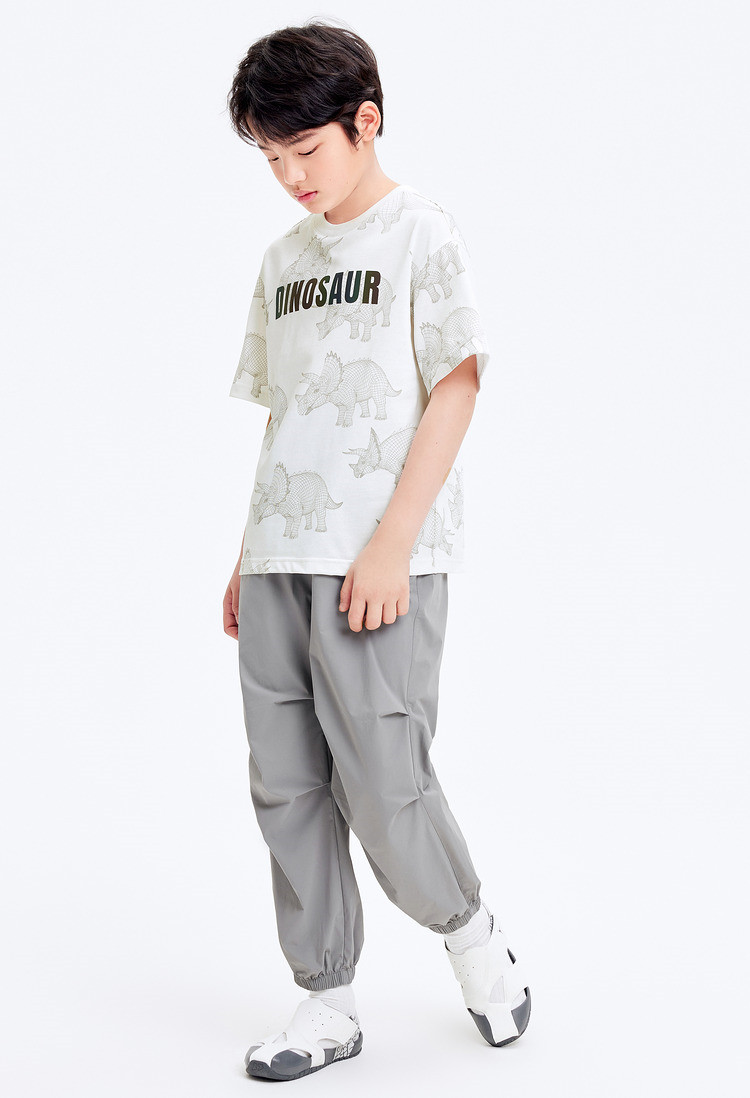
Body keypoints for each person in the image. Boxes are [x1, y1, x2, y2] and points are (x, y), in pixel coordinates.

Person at [222, 18, 531, 1083]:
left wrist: (394, 541)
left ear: (367, 120)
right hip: (281, 554)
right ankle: (327, 1000)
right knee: (286, 783)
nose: (289, 176)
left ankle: (473, 939)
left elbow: (457, 385)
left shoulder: (420, 234)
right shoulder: (282, 260)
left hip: (379, 560)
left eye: (304, 150)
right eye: (270, 157)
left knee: (386, 781)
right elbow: (287, 416)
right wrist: (245, 553)